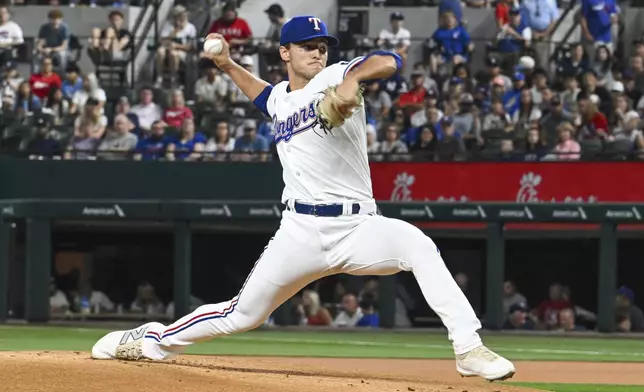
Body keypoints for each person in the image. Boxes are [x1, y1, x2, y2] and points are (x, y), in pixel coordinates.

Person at [92, 16, 516, 382]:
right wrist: (225, 64)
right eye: (307, 47)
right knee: (242, 315)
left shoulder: (333, 77)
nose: (317, 53)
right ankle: (152, 340)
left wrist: (351, 79)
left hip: (358, 226)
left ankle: (468, 349)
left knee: (420, 247)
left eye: (322, 47)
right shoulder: (281, 98)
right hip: (299, 232)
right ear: (284, 52)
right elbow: (263, 95)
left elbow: (389, 60)